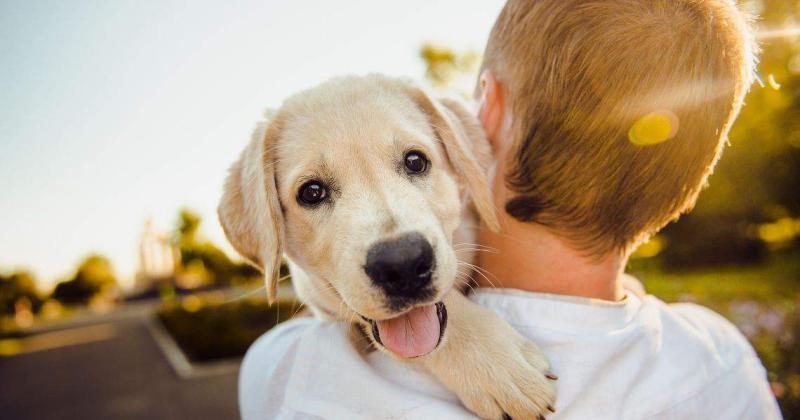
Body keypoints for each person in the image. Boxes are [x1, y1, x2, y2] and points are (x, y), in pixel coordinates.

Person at [239, 0, 782, 418]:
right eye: (314, 194)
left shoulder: (287, 374)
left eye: (413, 161)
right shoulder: (724, 363)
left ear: (484, 116)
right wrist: (454, 336)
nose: (396, 240)